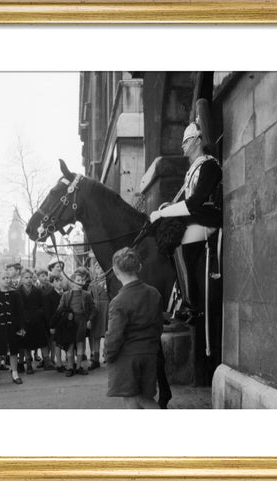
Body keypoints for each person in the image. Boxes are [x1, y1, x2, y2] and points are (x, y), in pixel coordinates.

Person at [149, 118, 222, 317]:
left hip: (207, 221)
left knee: (181, 243)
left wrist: (163, 212)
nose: (182, 146)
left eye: (186, 141)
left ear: (197, 141)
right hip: (196, 219)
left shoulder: (209, 166)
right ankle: (180, 293)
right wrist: (167, 209)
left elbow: (195, 202)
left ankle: (192, 302)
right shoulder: (194, 169)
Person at [105, 248, 163, 409]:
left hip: (127, 358)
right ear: (139, 267)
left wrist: (108, 355)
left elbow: (114, 336)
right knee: (146, 398)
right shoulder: (154, 293)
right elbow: (159, 326)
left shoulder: (118, 301)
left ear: (116, 271)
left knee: (131, 400)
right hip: (150, 353)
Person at [56, 267, 96, 377]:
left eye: (82, 280)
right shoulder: (66, 295)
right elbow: (60, 309)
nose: (81, 282)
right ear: (72, 281)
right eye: (78, 280)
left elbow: (93, 309)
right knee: (69, 344)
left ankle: (78, 367)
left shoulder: (87, 294)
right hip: (69, 323)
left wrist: (89, 320)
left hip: (81, 321)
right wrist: (64, 316)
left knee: (80, 344)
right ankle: (70, 366)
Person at [18, 269, 55, 374]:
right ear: (22, 279)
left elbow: (42, 306)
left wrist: (39, 314)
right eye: (26, 278)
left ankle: (47, 362)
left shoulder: (38, 291)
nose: (29, 280)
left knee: (43, 342)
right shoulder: (18, 292)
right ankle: (29, 364)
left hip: (37, 320)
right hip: (24, 322)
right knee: (26, 344)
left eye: (30, 277)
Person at [88, 262, 109, 370]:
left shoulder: (109, 281)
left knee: (107, 334)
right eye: (97, 267)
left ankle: (107, 355)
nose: (99, 269)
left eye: (101, 267)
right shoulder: (92, 284)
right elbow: (89, 299)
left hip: (107, 309)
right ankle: (95, 359)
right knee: (95, 335)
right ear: (94, 270)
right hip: (96, 310)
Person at [44, 273, 65, 371]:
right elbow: (48, 313)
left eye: (61, 280)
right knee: (55, 343)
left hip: (65, 323)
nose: (60, 283)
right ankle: (56, 361)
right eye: (57, 281)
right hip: (55, 323)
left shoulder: (66, 293)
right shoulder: (49, 296)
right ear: (52, 283)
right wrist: (51, 326)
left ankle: (68, 361)